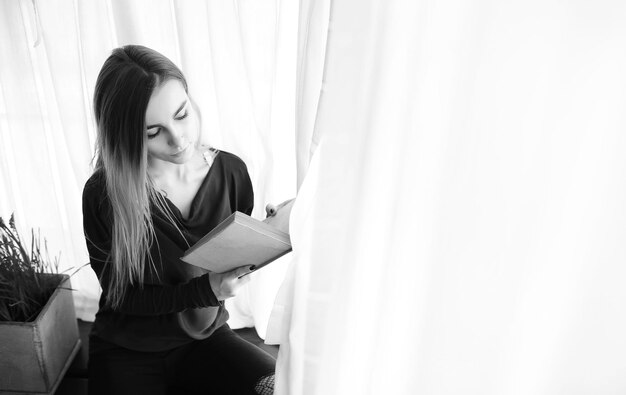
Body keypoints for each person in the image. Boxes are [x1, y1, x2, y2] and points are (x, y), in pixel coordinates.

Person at [82, 45, 275, 395]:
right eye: (153, 132)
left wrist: (272, 233)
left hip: (206, 340)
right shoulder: (104, 194)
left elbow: (230, 267)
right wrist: (207, 290)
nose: (178, 139)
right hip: (127, 350)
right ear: (124, 136)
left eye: (182, 114)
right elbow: (122, 298)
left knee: (280, 388)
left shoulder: (231, 173)